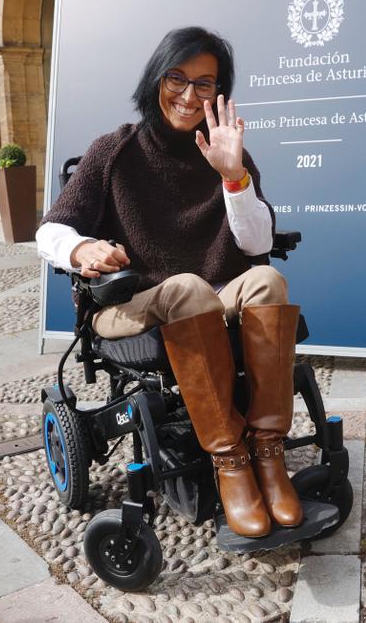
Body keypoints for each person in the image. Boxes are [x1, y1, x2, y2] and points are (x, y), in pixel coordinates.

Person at [36, 27, 302, 539]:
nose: (188, 94)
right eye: (177, 78)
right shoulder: (114, 150)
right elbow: (51, 228)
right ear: (156, 78)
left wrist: (233, 178)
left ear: (219, 94)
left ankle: (267, 455)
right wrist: (81, 248)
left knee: (267, 279)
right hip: (129, 301)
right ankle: (229, 462)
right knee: (187, 288)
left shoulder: (230, 152)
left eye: (205, 84)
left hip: (208, 295)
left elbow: (253, 245)